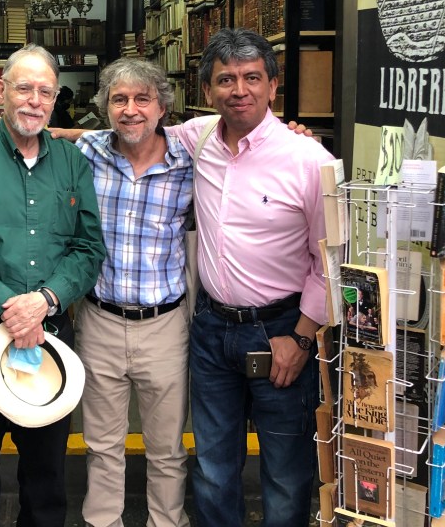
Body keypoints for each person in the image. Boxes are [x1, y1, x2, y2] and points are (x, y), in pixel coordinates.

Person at [163, 28, 334, 527]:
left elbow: (331, 260)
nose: (239, 90)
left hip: (281, 330)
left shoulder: (310, 160)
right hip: (211, 329)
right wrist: (32, 129)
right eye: (226, 79)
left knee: (285, 473)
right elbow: (128, 131)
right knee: (213, 468)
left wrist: (301, 339)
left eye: (252, 77)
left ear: (273, 86)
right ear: (207, 90)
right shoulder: (196, 138)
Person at [0, 44, 106, 527]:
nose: (34, 101)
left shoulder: (71, 162)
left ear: (55, 99)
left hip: (49, 336)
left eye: (45, 92)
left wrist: (44, 302)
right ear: (1, 93)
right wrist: (14, 306)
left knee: (47, 474)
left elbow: (88, 248)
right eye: (24, 88)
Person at [74, 58, 194, 527]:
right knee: (102, 445)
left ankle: (166, 521)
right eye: (119, 99)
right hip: (99, 320)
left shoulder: (190, 163)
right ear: (105, 107)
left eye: (142, 99)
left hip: (165, 325)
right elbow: (42, 135)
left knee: (167, 448)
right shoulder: (87, 151)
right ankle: (103, 521)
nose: (130, 110)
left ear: (162, 107)